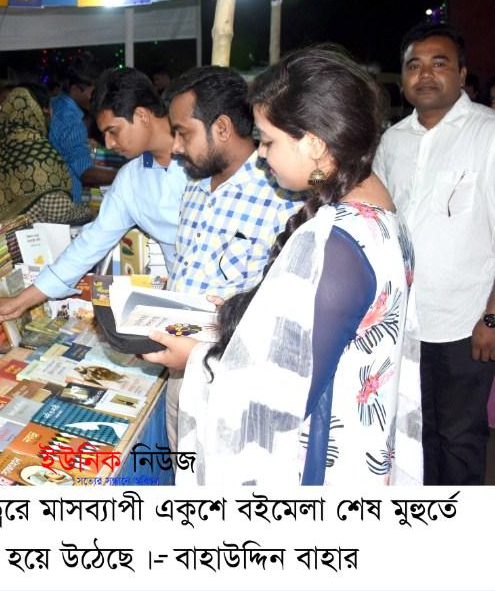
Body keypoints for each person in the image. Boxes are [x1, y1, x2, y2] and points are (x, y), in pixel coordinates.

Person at [147, 46, 423, 485]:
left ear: (313, 143)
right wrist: (239, 314)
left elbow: (277, 402)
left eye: (269, 141)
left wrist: (196, 359)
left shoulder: (335, 241)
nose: (260, 154)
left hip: (319, 469)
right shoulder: (380, 212)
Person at [373, 23, 495, 485]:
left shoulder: (487, 134)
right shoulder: (392, 141)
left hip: (465, 323)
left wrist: (492, 317)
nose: (425, 74)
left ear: (461, 74)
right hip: (402, 323)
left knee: (459, 438)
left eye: (438, 63)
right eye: (414, 65)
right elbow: (380, 221)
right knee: (414, 437)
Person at [160, 66, 303, 450]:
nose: (175, 148)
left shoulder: (281, 195)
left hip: (238, 383)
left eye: (183, 133)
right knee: (184, 473)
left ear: (221, 128)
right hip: (181, 376)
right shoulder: (194, 184)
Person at [0, 68, 186, 325]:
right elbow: (89, 245)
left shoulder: (203, 158)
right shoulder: (131, 178)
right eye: (104, 134)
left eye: (113, 131)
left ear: (141, 115)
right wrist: (19, 302)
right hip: (183, 301)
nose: (109, 143)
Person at [0, 84, 91, 226]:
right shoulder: (36, 148)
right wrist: (89, 212)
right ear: (41, 110)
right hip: (28, 235)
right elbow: (58, 211)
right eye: (49, 109)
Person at [49, 54, 117, 203]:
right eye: (94, 93)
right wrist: (124, 174)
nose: (98, 98)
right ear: (75, 89)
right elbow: (85, 173)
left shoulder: (54, 104)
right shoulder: (71, 120)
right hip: (67, 203)